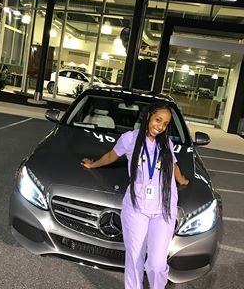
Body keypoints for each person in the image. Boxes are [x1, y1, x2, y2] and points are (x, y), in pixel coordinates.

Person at [81, 101, 189, 289]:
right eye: (158, 120)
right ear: (148, 116)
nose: (160, 127)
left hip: (163, 208)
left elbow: (174, 166)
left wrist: (181, 180)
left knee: (156, 265)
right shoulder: (130, 139)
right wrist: (93, 164)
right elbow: (111, 156)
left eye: (165, 124)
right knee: (135, 259)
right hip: (136, 207)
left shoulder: (167, 144)